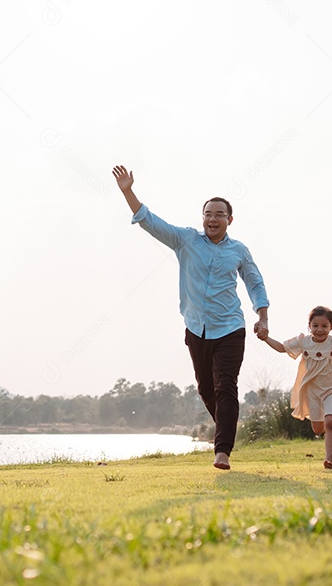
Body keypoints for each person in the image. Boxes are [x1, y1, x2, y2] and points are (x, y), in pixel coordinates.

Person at [112, 165, 269, 470]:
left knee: (226, 386)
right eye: (208, 213)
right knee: (206, 390)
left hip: (230, 328)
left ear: (229, 220)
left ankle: (222, 450)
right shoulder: (185, 240)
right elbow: (149, 221)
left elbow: (255, 283)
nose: (212, 219)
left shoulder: (238, 250)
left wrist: (262, 317)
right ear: (203, 218)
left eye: (219, 214)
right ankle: (227, 425)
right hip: (196, 329)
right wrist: (127, 191)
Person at [259, 306, 332, 469]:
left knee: (330, 422)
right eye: (315, 326)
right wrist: (266, 338)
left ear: (331, 327)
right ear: (309, 326)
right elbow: (282, 348)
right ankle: (327, 431)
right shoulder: (303, 341)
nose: (320, 330)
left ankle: (329, 458)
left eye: (324, 326)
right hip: (312, 391)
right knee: (317, 429)